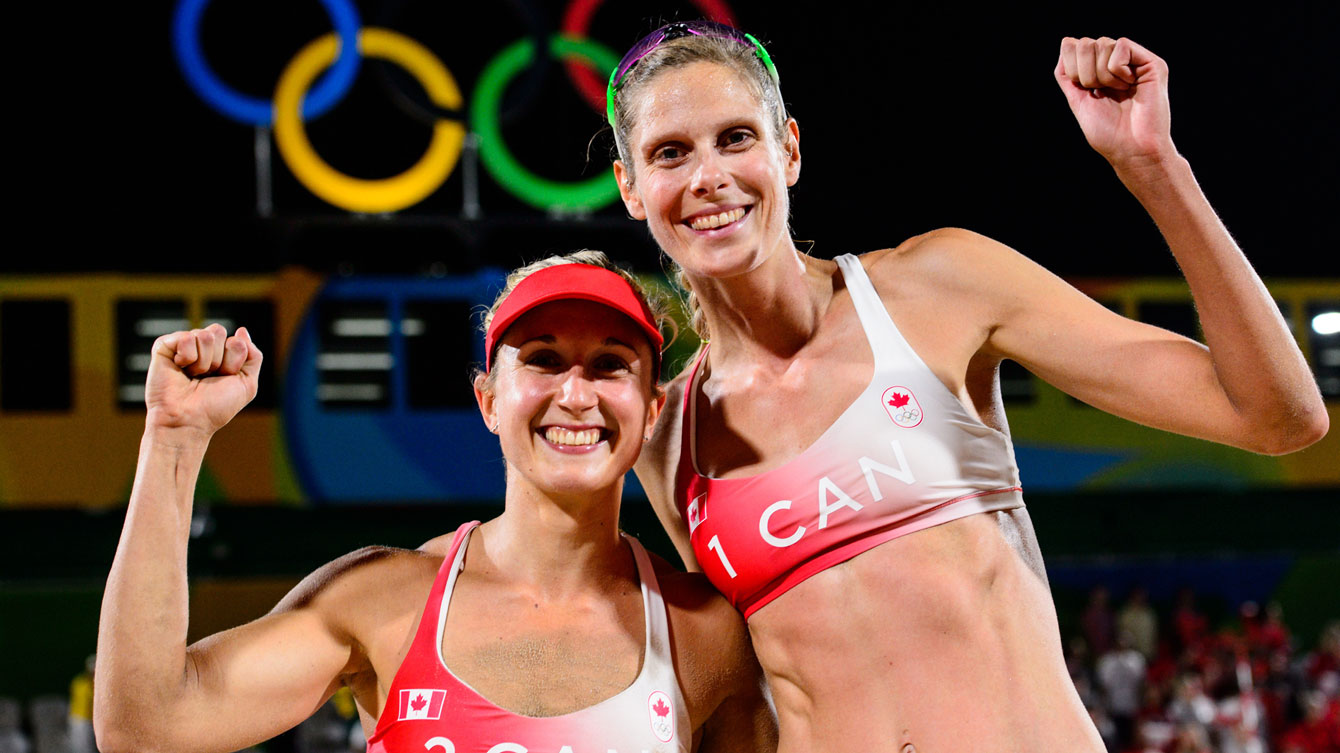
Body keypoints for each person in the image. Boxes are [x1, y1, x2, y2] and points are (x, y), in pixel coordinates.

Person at [605, 20, 1329, 751]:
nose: (708, 176)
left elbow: (1278, 416)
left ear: (788, 148)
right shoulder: (669, 441)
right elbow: (746, 698)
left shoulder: (939, 289)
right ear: (630, 187)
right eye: (671, 153)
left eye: (736, 138)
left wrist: (1152, 164)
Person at [93, 251, 777, 753]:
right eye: (541, 358)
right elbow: (145, 723)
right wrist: (175, 441)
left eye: (609, 364)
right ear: (488, 401)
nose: (576, 393)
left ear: (652, 408)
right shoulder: (385, 599)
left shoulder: (704, 633)